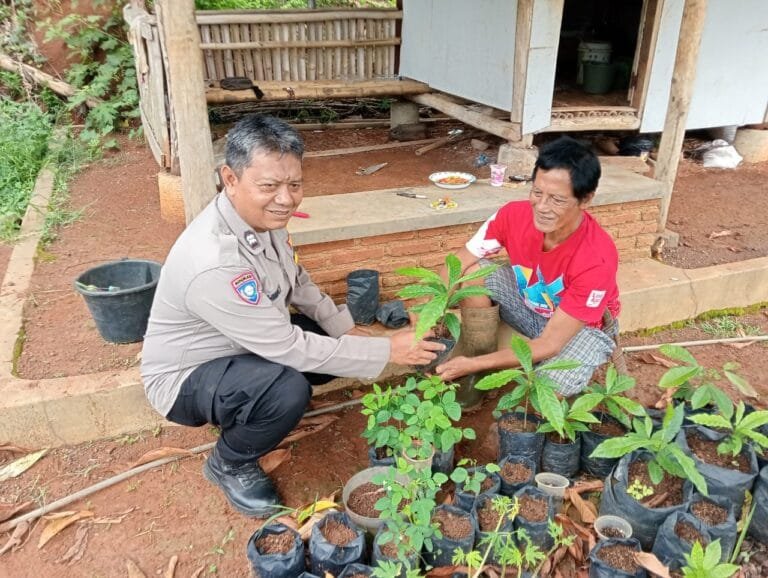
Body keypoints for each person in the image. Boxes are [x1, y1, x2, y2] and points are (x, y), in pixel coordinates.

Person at [140, 114, 443, 518]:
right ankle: (229, 462)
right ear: (230, 178)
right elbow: (286, 347)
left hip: (240, 344)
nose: (286, 199)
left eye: (295, 185)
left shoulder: (264, 220)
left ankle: (247, 405)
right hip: (187, 376)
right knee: (287, 390)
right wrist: (388, 350)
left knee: (322, 339)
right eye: (269, 186)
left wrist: (344, 328)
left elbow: (297, 281)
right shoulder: (216, 261)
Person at [435, 136, 620, 396]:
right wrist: (426, 312)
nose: (542, 207)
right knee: (472, 274)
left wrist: (473, 363)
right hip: (531, 306)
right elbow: (458, 263)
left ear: (585, 199)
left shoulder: (596, 258)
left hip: (581, 330)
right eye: (537, 192)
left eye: (557, 200)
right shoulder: (512, 215)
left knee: (548, 385)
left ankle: (476, 367)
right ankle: (475, 379)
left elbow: (550, 343)